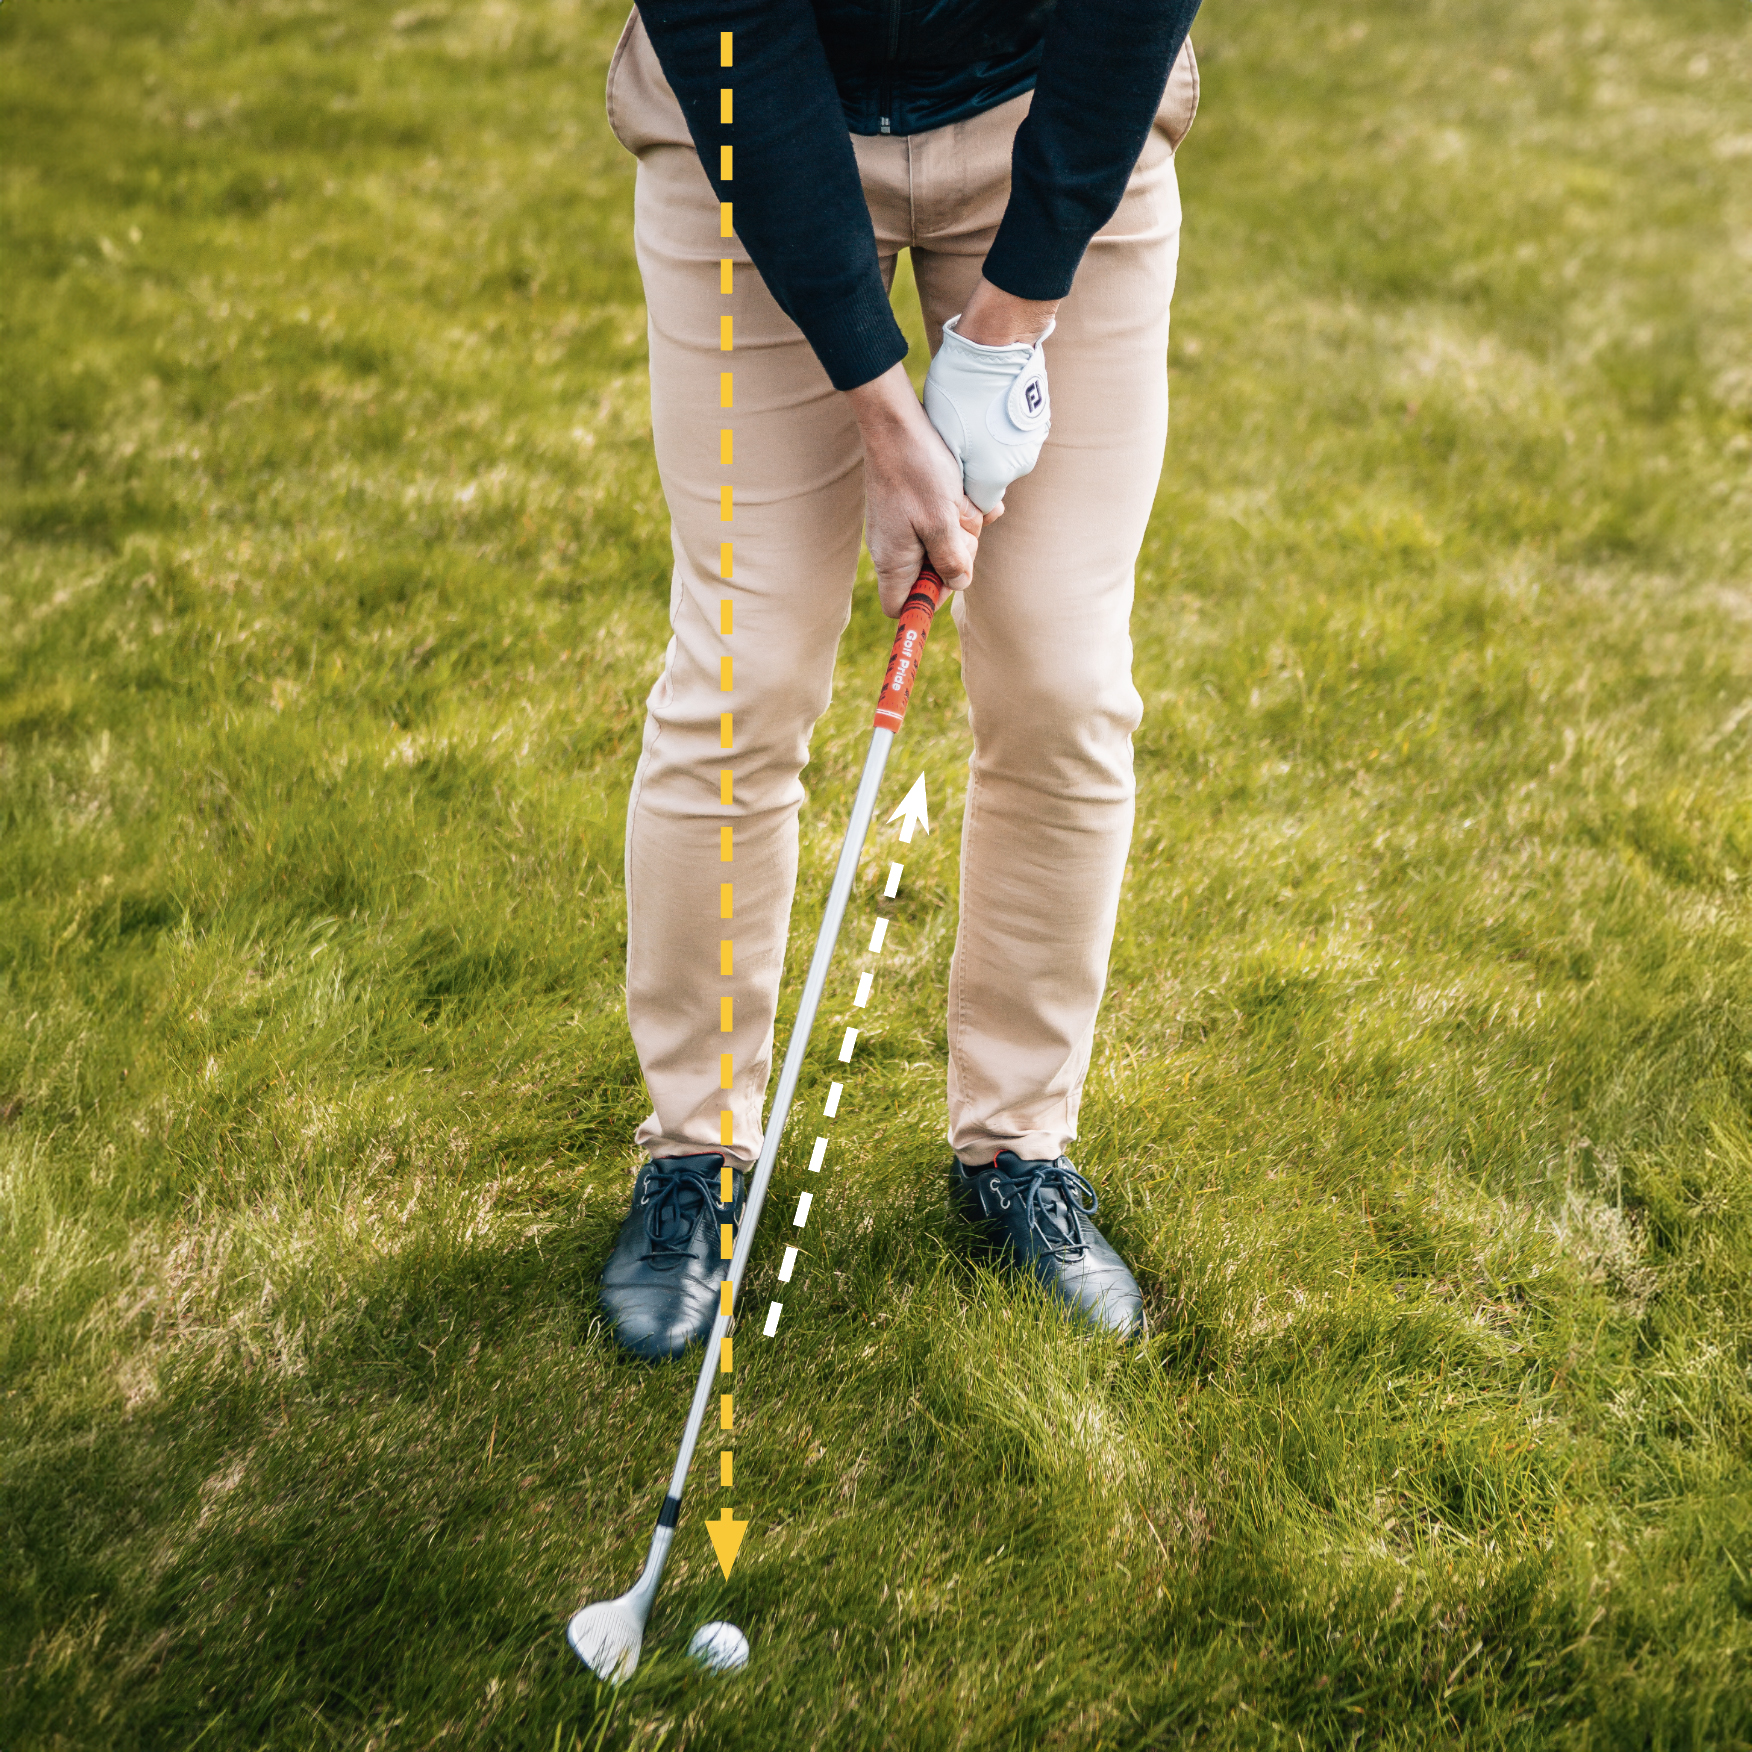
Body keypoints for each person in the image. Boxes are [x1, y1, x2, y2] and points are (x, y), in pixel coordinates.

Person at [596, 0, 1201, 1358]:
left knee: (1062, 682)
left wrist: (1008, 327)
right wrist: (883, 405)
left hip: (1057, 111)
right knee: (743, 677)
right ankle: (697, 1154)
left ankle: (1017, 1152)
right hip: (751, 129)